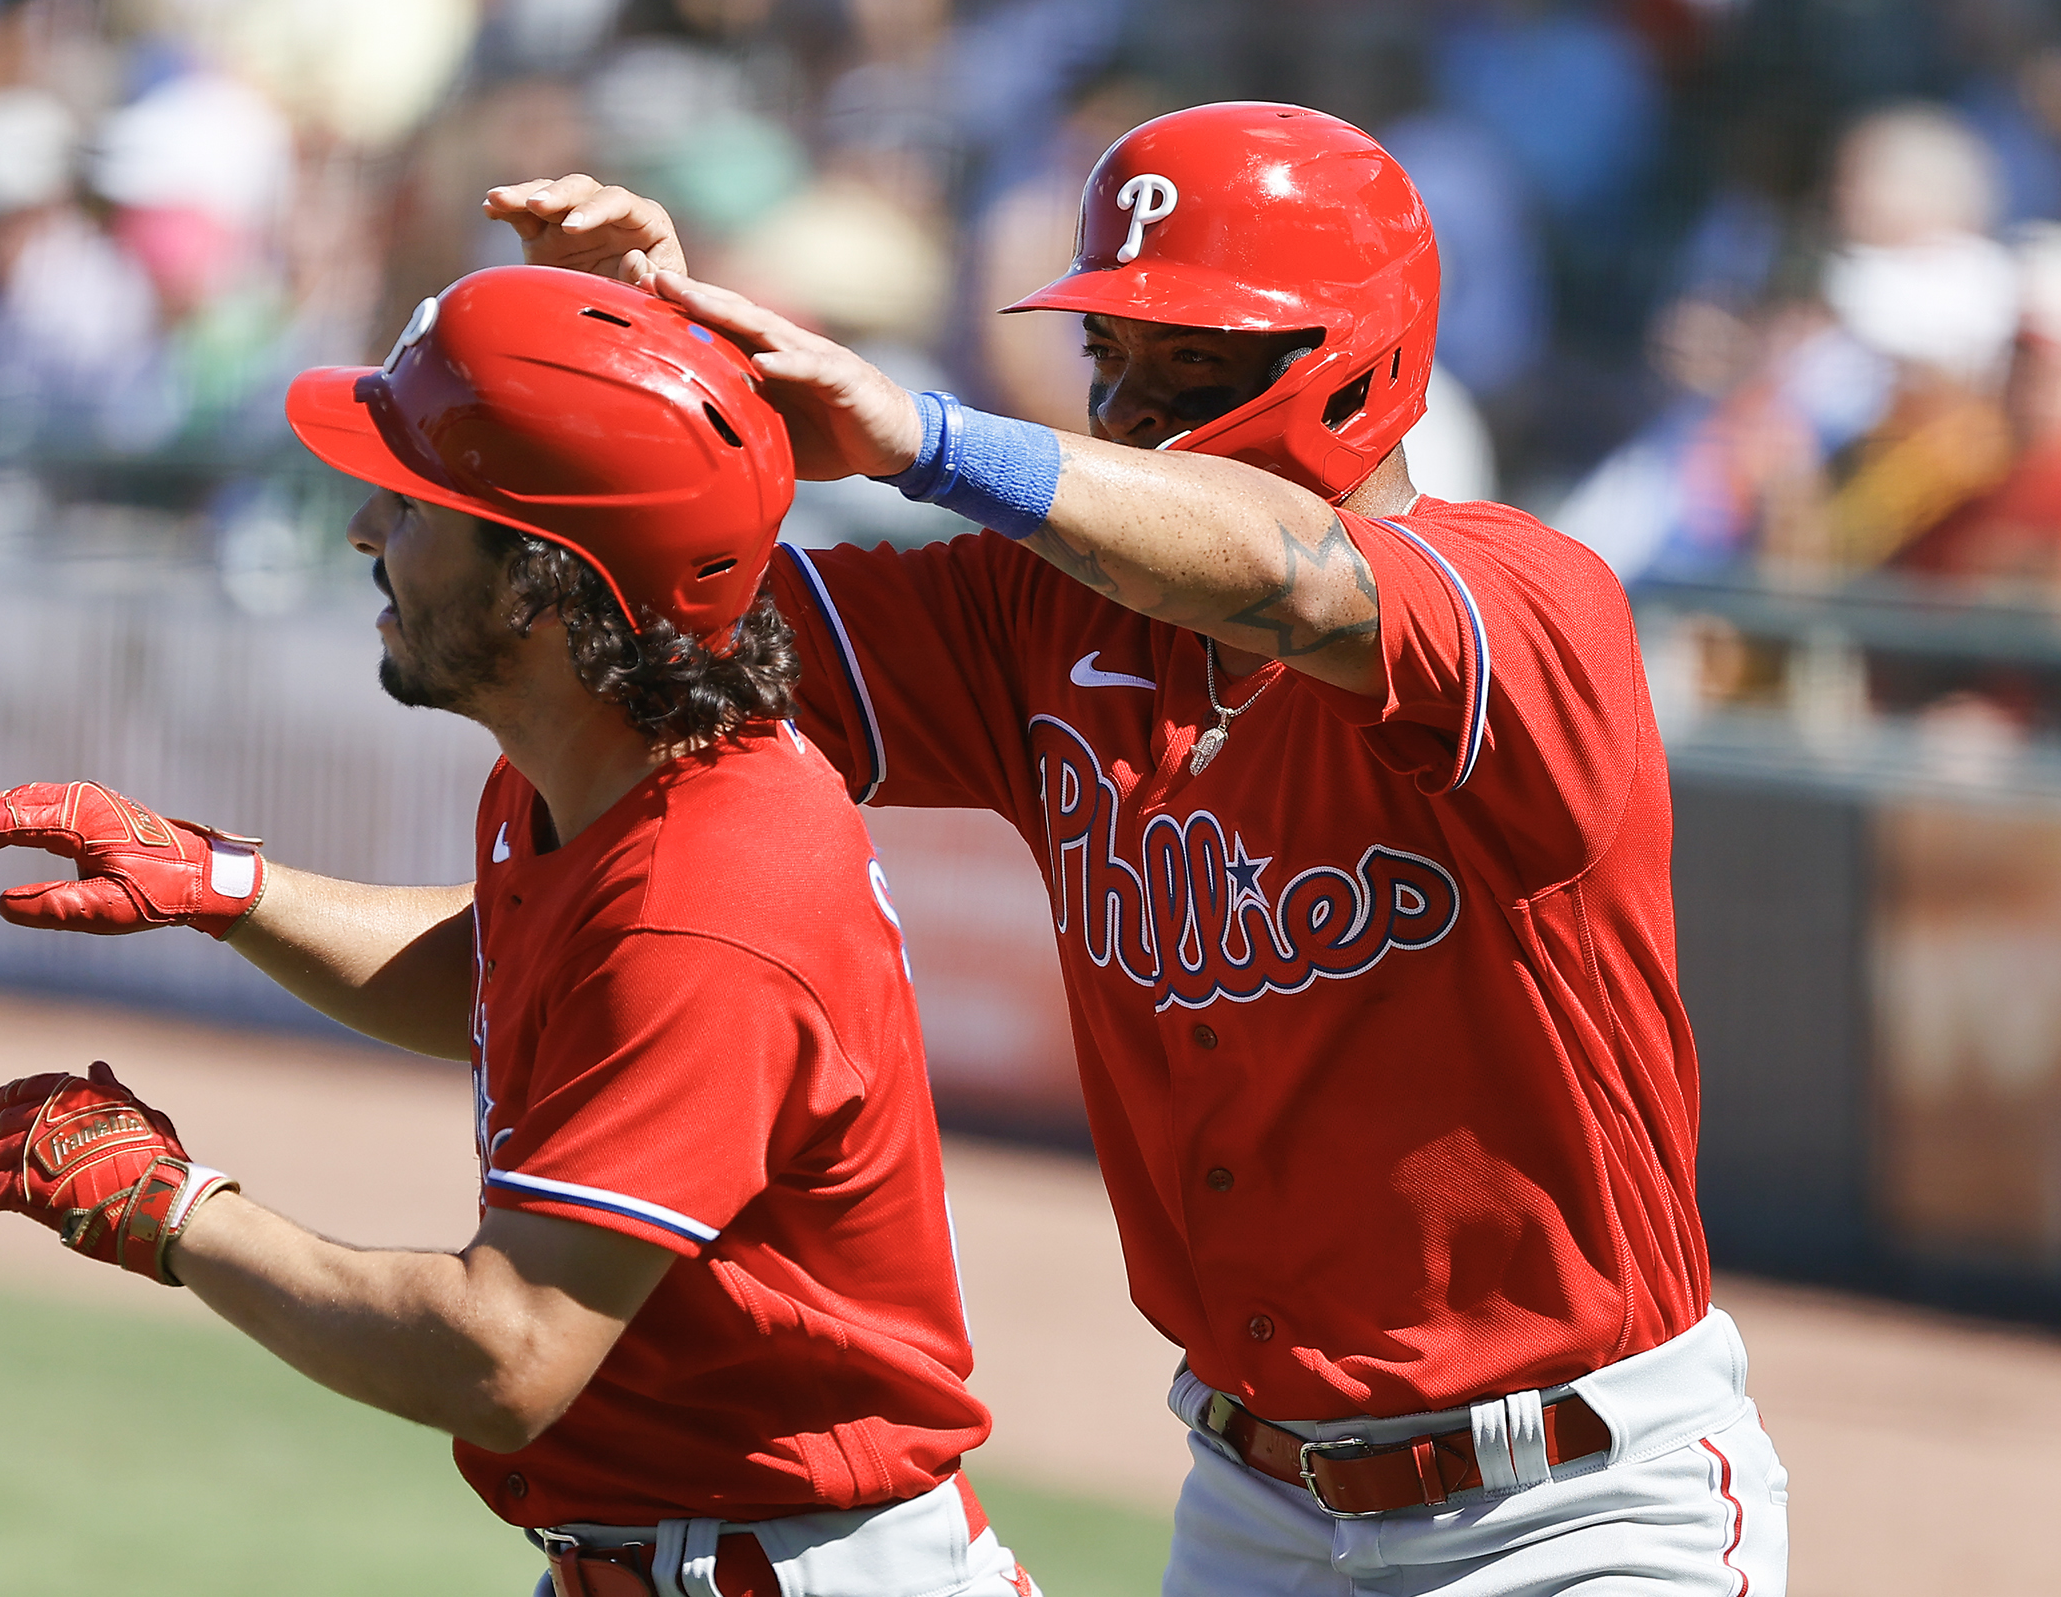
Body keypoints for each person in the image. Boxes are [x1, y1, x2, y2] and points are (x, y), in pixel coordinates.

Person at [483, 102, 1792, 1596]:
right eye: (1113, 358)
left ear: (1358, 361)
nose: (1132, 406)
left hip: (1575, 1506)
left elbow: (1296, 583)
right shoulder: (1044, 618)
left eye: (1197, 363)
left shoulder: (1533, 600)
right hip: (1252, 1503)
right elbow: (662, 625)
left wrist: (925, 437)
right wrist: (641, 368)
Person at [0, 264, 1039, 1597]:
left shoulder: (713, 899)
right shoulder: (614, 764)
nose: (362, 527)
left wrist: (175, 1210)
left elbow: (507, 1354)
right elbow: (525, 977)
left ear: (538, 588)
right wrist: (227, 886)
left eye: (412, 502)